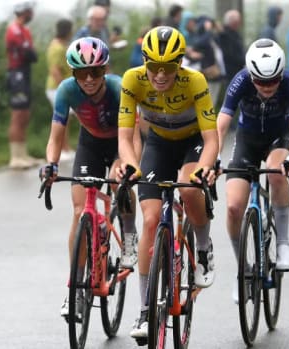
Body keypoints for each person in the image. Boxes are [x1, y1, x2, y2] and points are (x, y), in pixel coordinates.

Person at [116, 26, 218, 339]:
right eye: (154, 68)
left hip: (192, 142)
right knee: (149, 221)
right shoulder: (132, 79)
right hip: (158, 144)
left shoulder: (195, 81)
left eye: (169, 68)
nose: (160, 75)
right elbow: (124, 135)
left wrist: (203, 168)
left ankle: (203, 247)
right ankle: (146, 311)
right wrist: (131, 164)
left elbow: (211, 138)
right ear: (144, 62)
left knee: (188, 187)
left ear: (180, 64)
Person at [41, 37, 141, 320]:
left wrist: (128, 163)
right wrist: (51, 165)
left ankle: (130, 234)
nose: (88, 79)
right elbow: (56, 136)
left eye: (95, 72)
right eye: (81, 73)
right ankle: (75, 290)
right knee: (79, 210)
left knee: (117, 183)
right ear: (73, 74)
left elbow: (132, 135)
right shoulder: (66, 91)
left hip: (122, 142)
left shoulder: (118, 88)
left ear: (104, 70)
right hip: (91, 143)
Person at [216, 38, 289, 302]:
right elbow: (221, 126)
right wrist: (213, 157)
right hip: (246, 140)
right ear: (251, 75)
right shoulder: (240, 80)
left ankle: (283, 244)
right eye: (260, 81)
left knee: (278, 172)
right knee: (233, 207)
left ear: (281, 74)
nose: (267, 87)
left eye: (273, 81)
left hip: (278, 139)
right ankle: (242, 271)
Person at [5, 0, 39, 169]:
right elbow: (28, 52)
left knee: (25, 114)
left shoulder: (26, 30)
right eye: (30, 11)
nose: (32, 14)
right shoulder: (15, 29)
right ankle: (15, 156)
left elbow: (33, 54)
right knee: (18, 115)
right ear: (24, 12)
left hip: (25, 72)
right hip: (16, 73)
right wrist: (31, 52)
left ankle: (23, 153)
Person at [46, 19, 75, 161]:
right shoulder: (57, 48)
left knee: (67, 119)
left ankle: (66, 147)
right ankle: (61, 149)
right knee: (62, 119)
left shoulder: (61, 45)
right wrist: (64, 88)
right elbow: (55, 70)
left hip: (63, 85)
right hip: (57, 87)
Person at [218, 10, 245, 83]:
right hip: (231, 72)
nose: (239, 23)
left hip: (237, 70)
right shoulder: (224, 35)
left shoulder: (235, 33)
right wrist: (242, 60)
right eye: (236, 21)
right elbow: (229, 54)